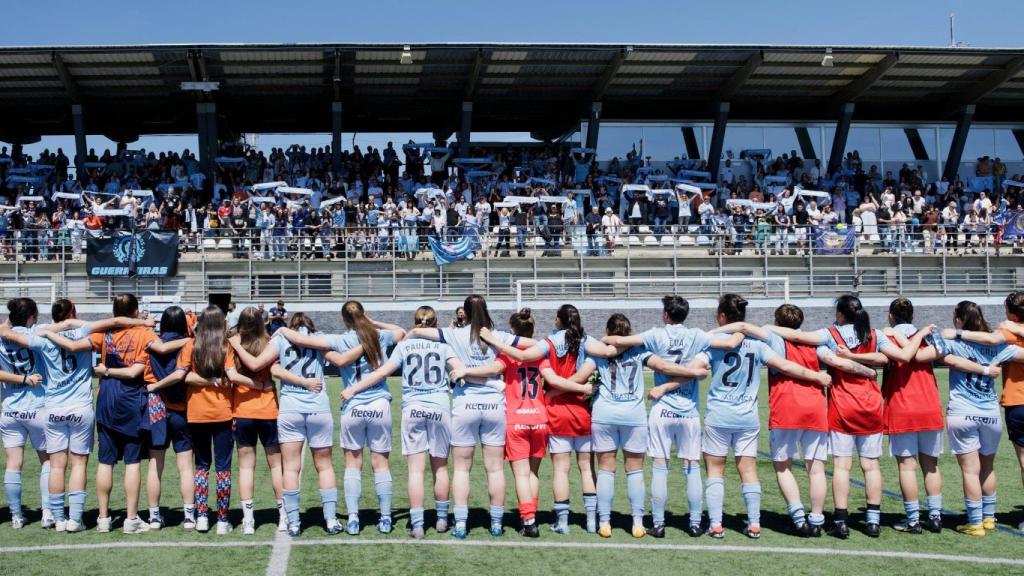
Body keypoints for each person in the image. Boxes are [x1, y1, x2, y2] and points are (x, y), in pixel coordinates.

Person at [767, 294, 930, 538]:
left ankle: (841, 520)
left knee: (842, 467)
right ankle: (873, 521)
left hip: (843, 404)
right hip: (871, 403)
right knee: (871, 465)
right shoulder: (875, 334)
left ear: (840, 314)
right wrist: (866, 365)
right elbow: (890, 357)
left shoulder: (830, 334)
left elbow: (800, 337)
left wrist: (769, 328)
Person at [713, 303, 877, 537]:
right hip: (815, 407)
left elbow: (745, 328)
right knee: (816, 468)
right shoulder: (815, 344)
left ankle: (798, 518)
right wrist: (867, 371)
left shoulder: (774, 339)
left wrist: (706, 335)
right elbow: (839, 363)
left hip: (786, 407)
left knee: (783, 467)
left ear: (778, 322)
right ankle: (817, 519)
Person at [599, 296, 743, 538]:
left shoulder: (656, 334)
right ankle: (696, 523)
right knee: (692, 467)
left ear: (666, 314)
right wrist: (737, 329)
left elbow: (616, 340)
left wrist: (609, 340)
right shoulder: (697, 334)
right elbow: (732, 342)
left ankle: (658, 524)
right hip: (688, 411)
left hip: (662, 409)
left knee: (660, 467)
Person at [694, 295, 831, 540]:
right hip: (747, 416)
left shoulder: (713, 342)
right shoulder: (758, 344)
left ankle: (716, 524)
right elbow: (787, 367)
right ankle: (755, 524)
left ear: (723, 317)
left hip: (719, 414)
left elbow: (695, 367)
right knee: (748, 471)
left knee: (715, 471)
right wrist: (817, 376)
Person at [479, 304, 614, 535]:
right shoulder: (581, 343)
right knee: (583, 468)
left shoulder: (546, 345)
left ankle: (545, 521)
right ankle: (593, 521)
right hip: (568, 412)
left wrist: (485, 347)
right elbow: (604, 355)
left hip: (543, 413)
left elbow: (515, 359)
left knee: (555, 471)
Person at [273, 301, 405, 535]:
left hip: (352, 405)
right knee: (381, 464)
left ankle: (353, 518)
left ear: (344, 320)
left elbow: (305, 341)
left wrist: (283, 329)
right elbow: (401, 332)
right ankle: (385, 518)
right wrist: (373, 323)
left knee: (353, 465)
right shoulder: (380, 336)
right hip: (379, 403)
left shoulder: (340, 340)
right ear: (364, 315)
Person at [228, 313, 361, 537]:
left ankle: (293, 521)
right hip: (318, 407)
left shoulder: (281, 340)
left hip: (290, 408)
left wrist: (236, 345)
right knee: (325, 466)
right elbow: (340, 360)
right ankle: (330, 519)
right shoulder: (319, 339)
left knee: (290, 467)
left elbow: (259, 365)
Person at [581, 313, 708, 539]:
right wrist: (693, 372)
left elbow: (581, 376)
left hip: (604, 415)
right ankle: (637, 523)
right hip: (634, 416)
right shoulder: (640, 351)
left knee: (606, 469)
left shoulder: (598, 351)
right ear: (629, 333)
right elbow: (664, 366)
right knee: (635, 470)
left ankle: (604, 522)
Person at [346, 306, 465, 539]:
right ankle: (441, 520)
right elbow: (459, 369)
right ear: (435, 322)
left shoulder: (405, 346)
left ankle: (418, 524)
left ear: (415, 321)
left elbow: (381, 373)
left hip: (413, 407)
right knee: (440, 467)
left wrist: (353, 389)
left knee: (415, 471)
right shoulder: (443, 344)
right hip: (439, 407)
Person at [406, 295, 515, 538]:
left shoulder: (454, 334)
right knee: (495, 469)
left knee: (462, 470)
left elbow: (420, 332)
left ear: (463, 313)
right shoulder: (499, 336)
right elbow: (529, 345)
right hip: (494, 405)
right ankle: (496, 523)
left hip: (465, 404)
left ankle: (462, 523)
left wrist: (409, 334)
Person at [920, 301, 1024, 536]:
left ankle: (975, 522)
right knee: (987, 467)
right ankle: (989, 518)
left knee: (970, 470)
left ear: (959, 320)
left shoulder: (953, 342)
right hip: (989, 413)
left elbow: (924, 354)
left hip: (962, 412)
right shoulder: (999, 346)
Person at [87, 293, 186, 534]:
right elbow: (162, 347)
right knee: (132, 461)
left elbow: (81, 337)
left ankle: (103, 518)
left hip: (106, 398)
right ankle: (131, 518)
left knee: (105, 461)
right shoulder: (144, 333)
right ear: (134, 311)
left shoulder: (104, 333)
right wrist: (190, 341)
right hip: (131, 399)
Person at [230, 307, 286, 535]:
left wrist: (234, 344)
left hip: (242, 410)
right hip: (268, 411)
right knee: (276, 465)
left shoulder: (233, 343)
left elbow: (231, 374)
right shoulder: (269, 342)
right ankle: (283, 516)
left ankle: (248, 519)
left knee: (246, 467)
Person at [141, 306, 195, 531]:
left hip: (157, 409)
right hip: (182, 409)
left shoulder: (152, 342)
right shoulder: (188, 343)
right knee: (185, 466)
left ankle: (154, 516)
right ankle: (190, 515)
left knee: (155, 465)